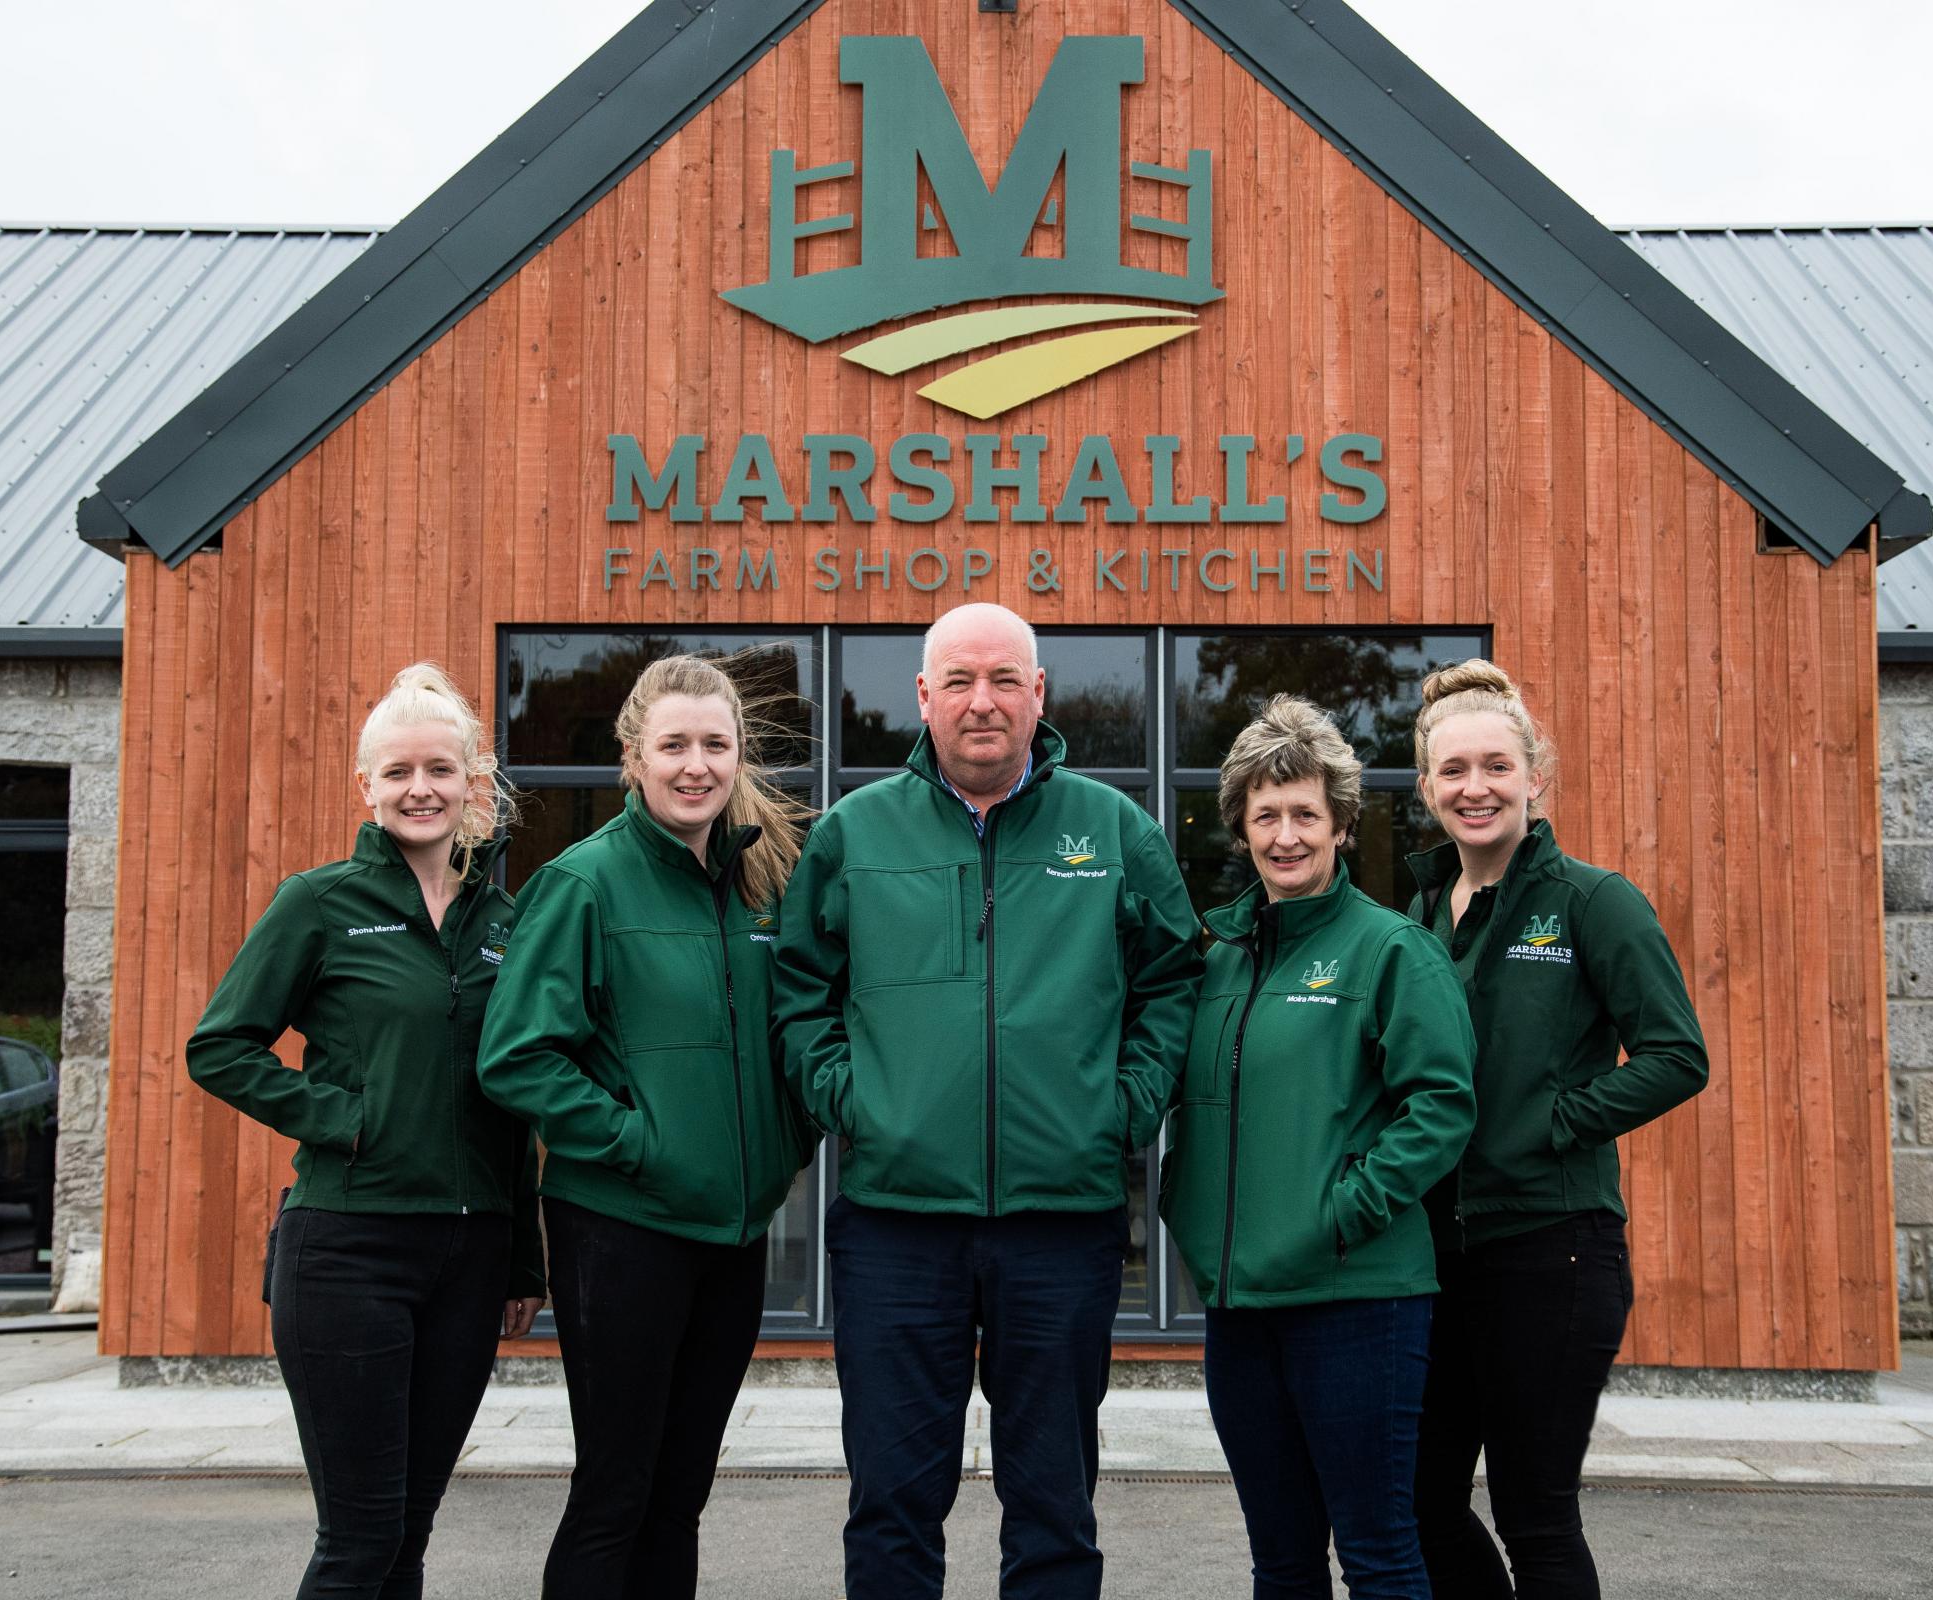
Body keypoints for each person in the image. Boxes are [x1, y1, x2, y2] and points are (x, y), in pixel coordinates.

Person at [773, 601, 1204, 1600]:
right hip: (895, 1224)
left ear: (1038, 694)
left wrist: (1125, 1104)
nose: (983, 702)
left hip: (1063, 1223)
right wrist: (855, 1101)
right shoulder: (851, 836)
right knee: (891, 1502)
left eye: (1005, 680)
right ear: (920, 698)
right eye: (959, 681)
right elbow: (799, 995)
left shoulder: (1115, 831)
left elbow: (1175, 980)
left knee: (1054, 1502)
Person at [187, 662, 545, 1600]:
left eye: (439, 769)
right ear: (367, 787)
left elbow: (517, 1096)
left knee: (410, 1534)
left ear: (474, 780)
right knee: (359, 1537)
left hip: (472, 1258)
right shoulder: (320, 903)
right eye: (398, 773)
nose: (419, 789)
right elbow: (220, 1047)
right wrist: (344, 1118)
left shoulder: (505, 922)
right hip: (349, 1248)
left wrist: (523, 1263)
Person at [476, 652, 815, 1600]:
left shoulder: (757, 884)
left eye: (715, 744)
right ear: (633, 757)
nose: (695, 765)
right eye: (673, 745)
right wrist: (638, 1145)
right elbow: (516, 1055)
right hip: (621, 1232)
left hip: (731, 1233)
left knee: (679, 1495)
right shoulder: (584, 885)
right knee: (616, 1492)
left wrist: (785, 1143)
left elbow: (787, 1038)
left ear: (740, 755)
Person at [1403, 660, 1709, 1600]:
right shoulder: (1421, 912)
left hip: (1553, 1249)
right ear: (1426, 789)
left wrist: (1553, 1121)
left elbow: (1676, 1055)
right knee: (1417, 1503)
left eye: (1496, 766)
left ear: (1537, 776)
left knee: (1536, 1515)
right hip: (1438, 1252)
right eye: (1453, 771)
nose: (1475, 788)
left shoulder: (1591, 900)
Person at [1160, 695, 1475, 1599]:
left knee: (1378, 1553)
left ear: (1341, 823)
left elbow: (1442, 1108)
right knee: (1282, 1560)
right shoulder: (1215, 954)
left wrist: (1344, 1211)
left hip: (1357, 1299)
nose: (1286, 836)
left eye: (1306, 814)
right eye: (1267, 816)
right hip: (1241, 1304)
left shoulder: (1390, 951)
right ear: (1241, 828)